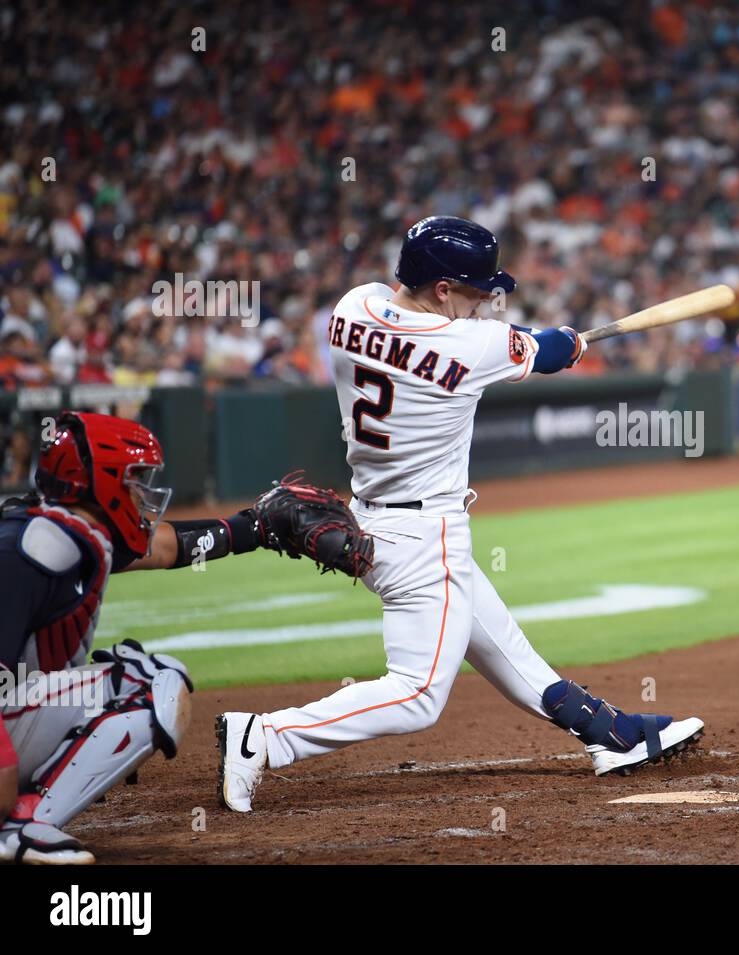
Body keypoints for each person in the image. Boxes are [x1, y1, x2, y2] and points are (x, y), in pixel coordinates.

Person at [217, 216, 703, 812]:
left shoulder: (352, 307)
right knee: (418, 694)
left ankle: (612, 735)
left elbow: (502, 339)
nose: (484, 302)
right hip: (425, 533)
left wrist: (552, 340)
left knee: (500, 642)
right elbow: (549, 351)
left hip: (369, 516)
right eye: (476, 291)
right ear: (442, 288)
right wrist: (573, 341)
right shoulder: (471, 345)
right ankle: (265, 736)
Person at [0, 411, 265, 864]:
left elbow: (163, 548)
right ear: (100, 480)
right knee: (149, 683)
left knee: (133, 680)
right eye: (134, 479)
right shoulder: (27, 548)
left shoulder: (64, 531)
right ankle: (23, 826)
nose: (143, 493)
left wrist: (252, 529)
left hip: (12, 707)